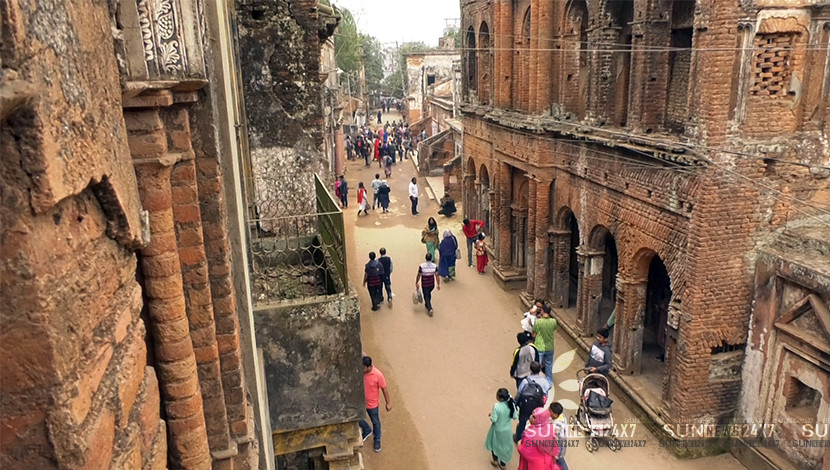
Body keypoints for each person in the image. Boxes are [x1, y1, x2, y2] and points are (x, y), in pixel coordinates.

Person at [358, 356, 391, 453]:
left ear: (368, 367)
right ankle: (367, 429)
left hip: (372, 405)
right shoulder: (362, 372)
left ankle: (377, 440)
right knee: (357, 418)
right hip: (362, 402)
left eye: (363, 367)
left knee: (376, 422)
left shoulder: (378, 375)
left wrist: (388, 403)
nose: (362, 369)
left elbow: (384, 389)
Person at [514, 361, 551, 443]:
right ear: (540, 370)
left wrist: (515, 403)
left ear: (531, 370)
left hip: (525, 406)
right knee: (536, 423)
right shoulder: (545, 382)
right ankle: (532, 439)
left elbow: (519, 394)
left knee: (522, 422)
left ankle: (518, 438)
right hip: (538, 407)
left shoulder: (525, 381)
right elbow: (545, 397)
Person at [485, 388, 518, 469]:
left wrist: (491, 415)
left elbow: (494, 419)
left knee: (494, 444)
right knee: (505, 446)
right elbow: (515, 416)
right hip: (507, 430)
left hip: (497, 429)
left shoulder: (497, 406)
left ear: (501, 398)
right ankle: (503, 464)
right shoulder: (511, 405)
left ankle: (495, 460)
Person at [533, 306, 559, 384]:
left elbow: (534, 333)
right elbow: (554, 329)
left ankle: (537, 381)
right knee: (549, 364)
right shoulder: (554, 321)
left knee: (537, 365)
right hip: (549, 346)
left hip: (539, 346)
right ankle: (549, 381)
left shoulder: (538, 322)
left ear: (543, 311)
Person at [549, 402, 570, 470]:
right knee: (561, 460)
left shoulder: (555, 427)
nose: (547, 411)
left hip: (557, 450)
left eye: (549, 411)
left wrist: (555, 456)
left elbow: (556, 441)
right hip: (562, 447)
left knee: (558, 462)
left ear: (555, 415)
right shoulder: (562, 416)